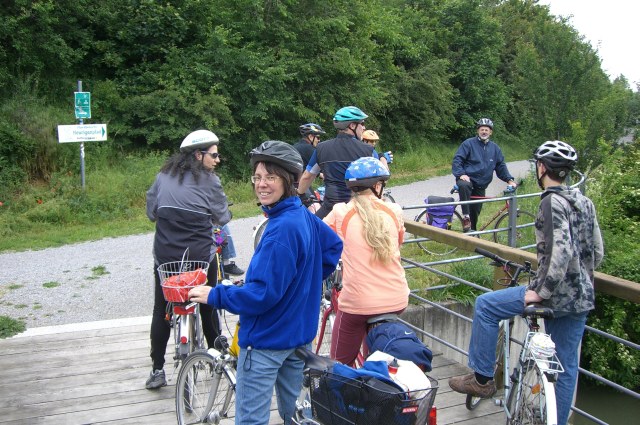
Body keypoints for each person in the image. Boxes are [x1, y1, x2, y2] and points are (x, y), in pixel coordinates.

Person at [448, 141, 604, 425]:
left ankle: (482, 379)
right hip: (582, 297)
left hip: (552, 294)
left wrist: (541, 291)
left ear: (542, 168)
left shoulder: (551, 202)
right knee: (565, 367)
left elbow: (560, 252)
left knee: (485, 305)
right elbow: (597, 252)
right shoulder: (585, 201)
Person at [188, 140, 343, 425]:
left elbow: (261, 295)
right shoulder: (301, 215)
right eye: (257, 177)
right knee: (295, 417)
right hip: (299, 338)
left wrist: (215, 295)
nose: (261, 184)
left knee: (252, 420)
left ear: (287, 180)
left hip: (266, 342)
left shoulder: (280, 231)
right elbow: (333, 246)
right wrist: (303, 284)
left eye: (270, 177)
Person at [145, 129, 231, 389]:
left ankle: (157, 369)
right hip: (199, 260)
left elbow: (151, 213)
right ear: (198, 155)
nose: (217, 160)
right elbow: (222, 217)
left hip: (166, 259)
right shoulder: (211, 182)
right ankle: (217, 357)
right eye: (213, 155)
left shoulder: (162, 177)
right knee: (208, 305)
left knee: (161, 310)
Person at [322, 157, 409, 366]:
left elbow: (320, 240)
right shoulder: (394, 211)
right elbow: (398, 243)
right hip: (396, 299)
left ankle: (339, 379)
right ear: (377, 186)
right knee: (377, 361)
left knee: (338, 366)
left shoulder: (341, 212)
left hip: (358, 303)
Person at [296, 106, 381, 219]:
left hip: (330, 210)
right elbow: (378, 182)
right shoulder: (368, 150)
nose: (364, 127)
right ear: (352, 126)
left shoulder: (321, 148)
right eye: (362, 123)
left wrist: (300, 194)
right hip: (359, 210)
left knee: (313, 227)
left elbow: (307, 176)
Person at [451, 118, 516, 232]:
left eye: (486, 130)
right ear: (478, 131)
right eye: (482, 129)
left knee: (475, 213)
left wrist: (509, 180)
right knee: (464, 186)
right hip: (467, 180)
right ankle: (466, 217)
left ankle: (472, 234)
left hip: (481, 185)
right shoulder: (468, 144)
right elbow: (458, 160)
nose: (484, 132)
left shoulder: (495, 148)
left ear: (491, 132)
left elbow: (500, 166)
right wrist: (461, 174)